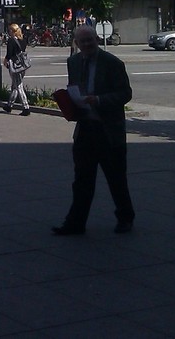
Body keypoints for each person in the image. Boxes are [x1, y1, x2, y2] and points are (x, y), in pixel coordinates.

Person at [52, 25, 136, 236]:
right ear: (77, 44)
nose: (87, 44)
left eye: (90, 40)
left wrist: (99, 100)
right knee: (82, 180)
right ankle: (75, 223)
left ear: (97, 39)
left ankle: (125, 218)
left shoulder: (112, 63)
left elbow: (125, 93)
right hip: (85, 129)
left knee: (116, 178)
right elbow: (74, 87)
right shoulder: (73, 62)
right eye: (83, 41)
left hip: (108, 130)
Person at [3, 23, 30, 116]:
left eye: (10, 30)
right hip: (22, 65)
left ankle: (26, 107)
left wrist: (5, 61)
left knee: (18, 86)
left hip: (15, 66)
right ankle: (9, 105)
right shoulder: (23, 40)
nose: (9, 32)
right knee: (15, 85)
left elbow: (9, 53)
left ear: (13, 31)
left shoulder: (11, 41)